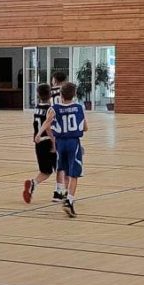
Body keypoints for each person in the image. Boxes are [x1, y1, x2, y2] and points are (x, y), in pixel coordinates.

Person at [36, 81, 87, 217]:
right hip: (73, 142)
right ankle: (69, 200)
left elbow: (47, 122)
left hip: (60, 143)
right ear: (74, 95)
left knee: (63, 169)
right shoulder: (79, 107)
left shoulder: (54, 108)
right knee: (74, 174)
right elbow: (85, 127)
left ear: (61, 95)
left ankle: (64, 193)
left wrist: (39, 134)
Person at [22, 83, 58, 203]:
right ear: (50, 94)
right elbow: (48, 128)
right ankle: (59, 192)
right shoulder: (50, 109)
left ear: (38, 95)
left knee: (46, 171)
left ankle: (33, 183)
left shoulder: (37, 107)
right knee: (60, 169)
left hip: (39, 143)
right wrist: (54, 143)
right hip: (48, 141)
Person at [49, 71, 70, 201]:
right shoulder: (66, 92)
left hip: (55, 128)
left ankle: (58, 190)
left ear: (55, 80)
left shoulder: (50, 92)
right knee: (66, 163)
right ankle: (65, 191)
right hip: (67, 130)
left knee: (60, 162)